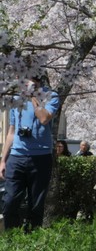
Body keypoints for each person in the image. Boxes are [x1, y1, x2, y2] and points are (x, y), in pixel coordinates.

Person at [0, 76, 61, 231]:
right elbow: (11, 132)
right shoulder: (16, 98)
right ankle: (12, 239)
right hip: (16, 157)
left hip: (40, 158)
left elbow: (44, 118)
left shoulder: (51, 96)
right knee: (10, 201)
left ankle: (33, 241)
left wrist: (33, 95)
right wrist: (3, 160)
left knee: (36, 205)